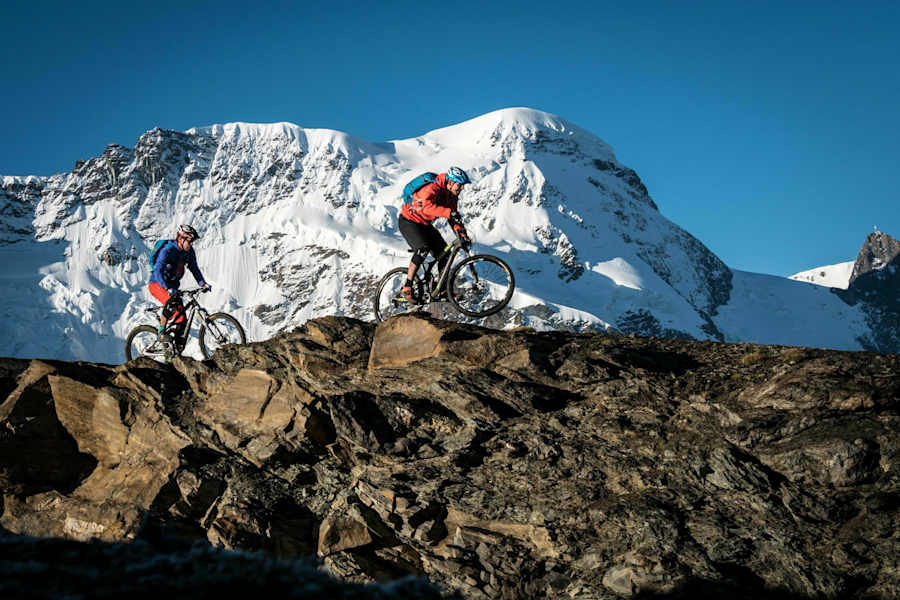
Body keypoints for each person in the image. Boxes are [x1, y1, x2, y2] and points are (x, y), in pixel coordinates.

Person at [398, 166, 472, 304]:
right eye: (460, 185)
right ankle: (407, 286)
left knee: (445, 254)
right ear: (451, 182)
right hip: (409, 221)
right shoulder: (432, 187)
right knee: (423, 248)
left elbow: (453, 218)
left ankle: (442, 291)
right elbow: (427, 207)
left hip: (425, 225)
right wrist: (448, 212)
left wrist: (462, 234)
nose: (462, 188)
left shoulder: (452, 197)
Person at [148, 224, 211, 344]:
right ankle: (161, 333)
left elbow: (194, 268)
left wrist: (202, 283)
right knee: (171, 305)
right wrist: (166, 287)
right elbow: (158, 270)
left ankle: (173, 352)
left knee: (182, 319)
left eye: (192, 241)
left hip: (173, 287)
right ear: (181, 238)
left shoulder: (189, 252)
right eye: (190, 241)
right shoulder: (168, 250)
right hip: (157, 284)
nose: (192, 244)